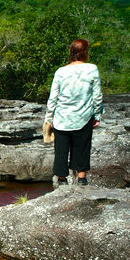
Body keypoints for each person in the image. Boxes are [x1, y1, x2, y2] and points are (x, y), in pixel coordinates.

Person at [44, 38, 103, 187]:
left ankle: (62, 180)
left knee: (61, 151)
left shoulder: (60, 71)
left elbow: (53, 97)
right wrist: (97, 115)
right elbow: (97, 96)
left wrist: (49, 118)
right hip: (83, 116)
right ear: (85, 52)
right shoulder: (92, 69)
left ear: (71, 52)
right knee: (82, 148)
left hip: (61, 118)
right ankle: (82, 180)